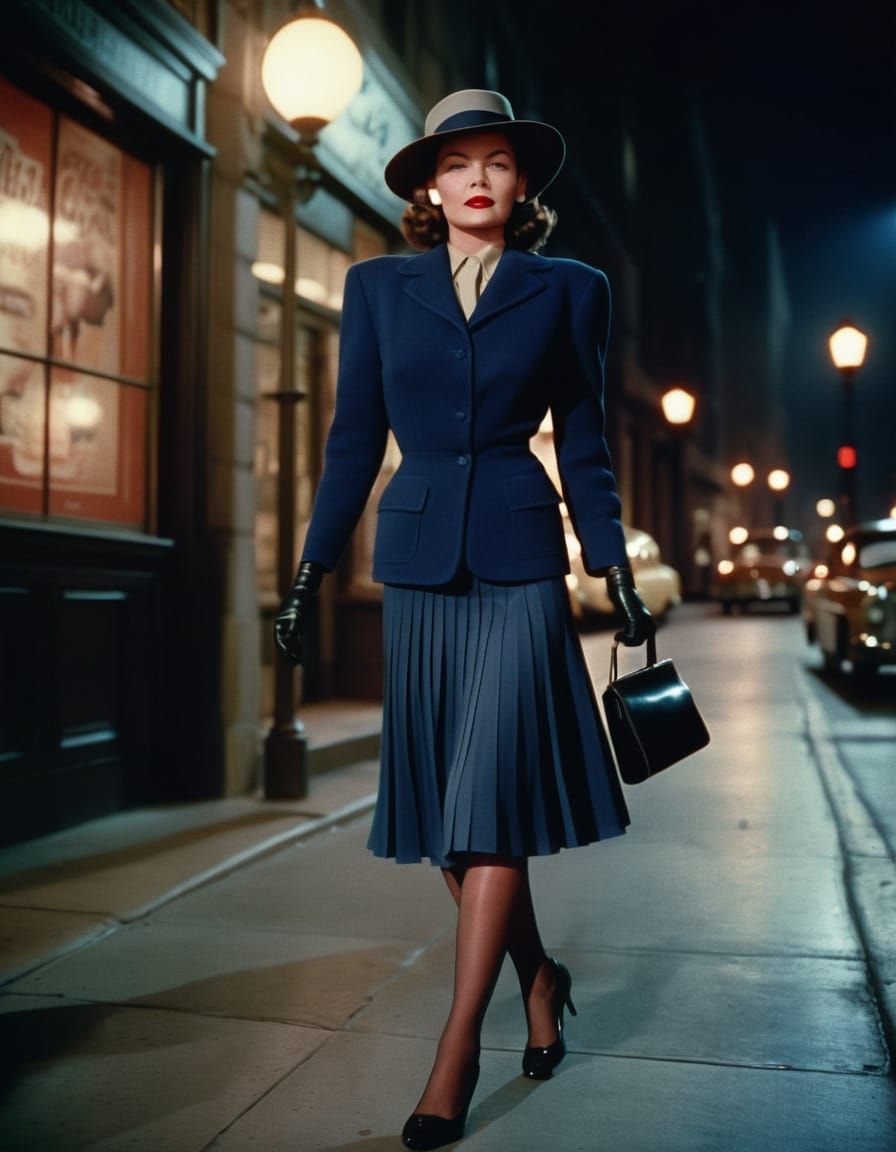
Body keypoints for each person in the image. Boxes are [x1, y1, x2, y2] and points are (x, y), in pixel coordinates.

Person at [274, 89, 655, 1151]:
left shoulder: (570, 290)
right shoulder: (376, 289)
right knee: (453, 814)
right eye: (456, 164)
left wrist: (612, 566)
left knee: (484, 799)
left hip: (521, 562)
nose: (476, 178)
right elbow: (353, 440)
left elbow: (581, 443)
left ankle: (456, 1051)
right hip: (417, 561)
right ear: (428, 188)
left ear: (520, 185)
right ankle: (540, 977)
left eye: (495, 162)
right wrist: (306, 574)